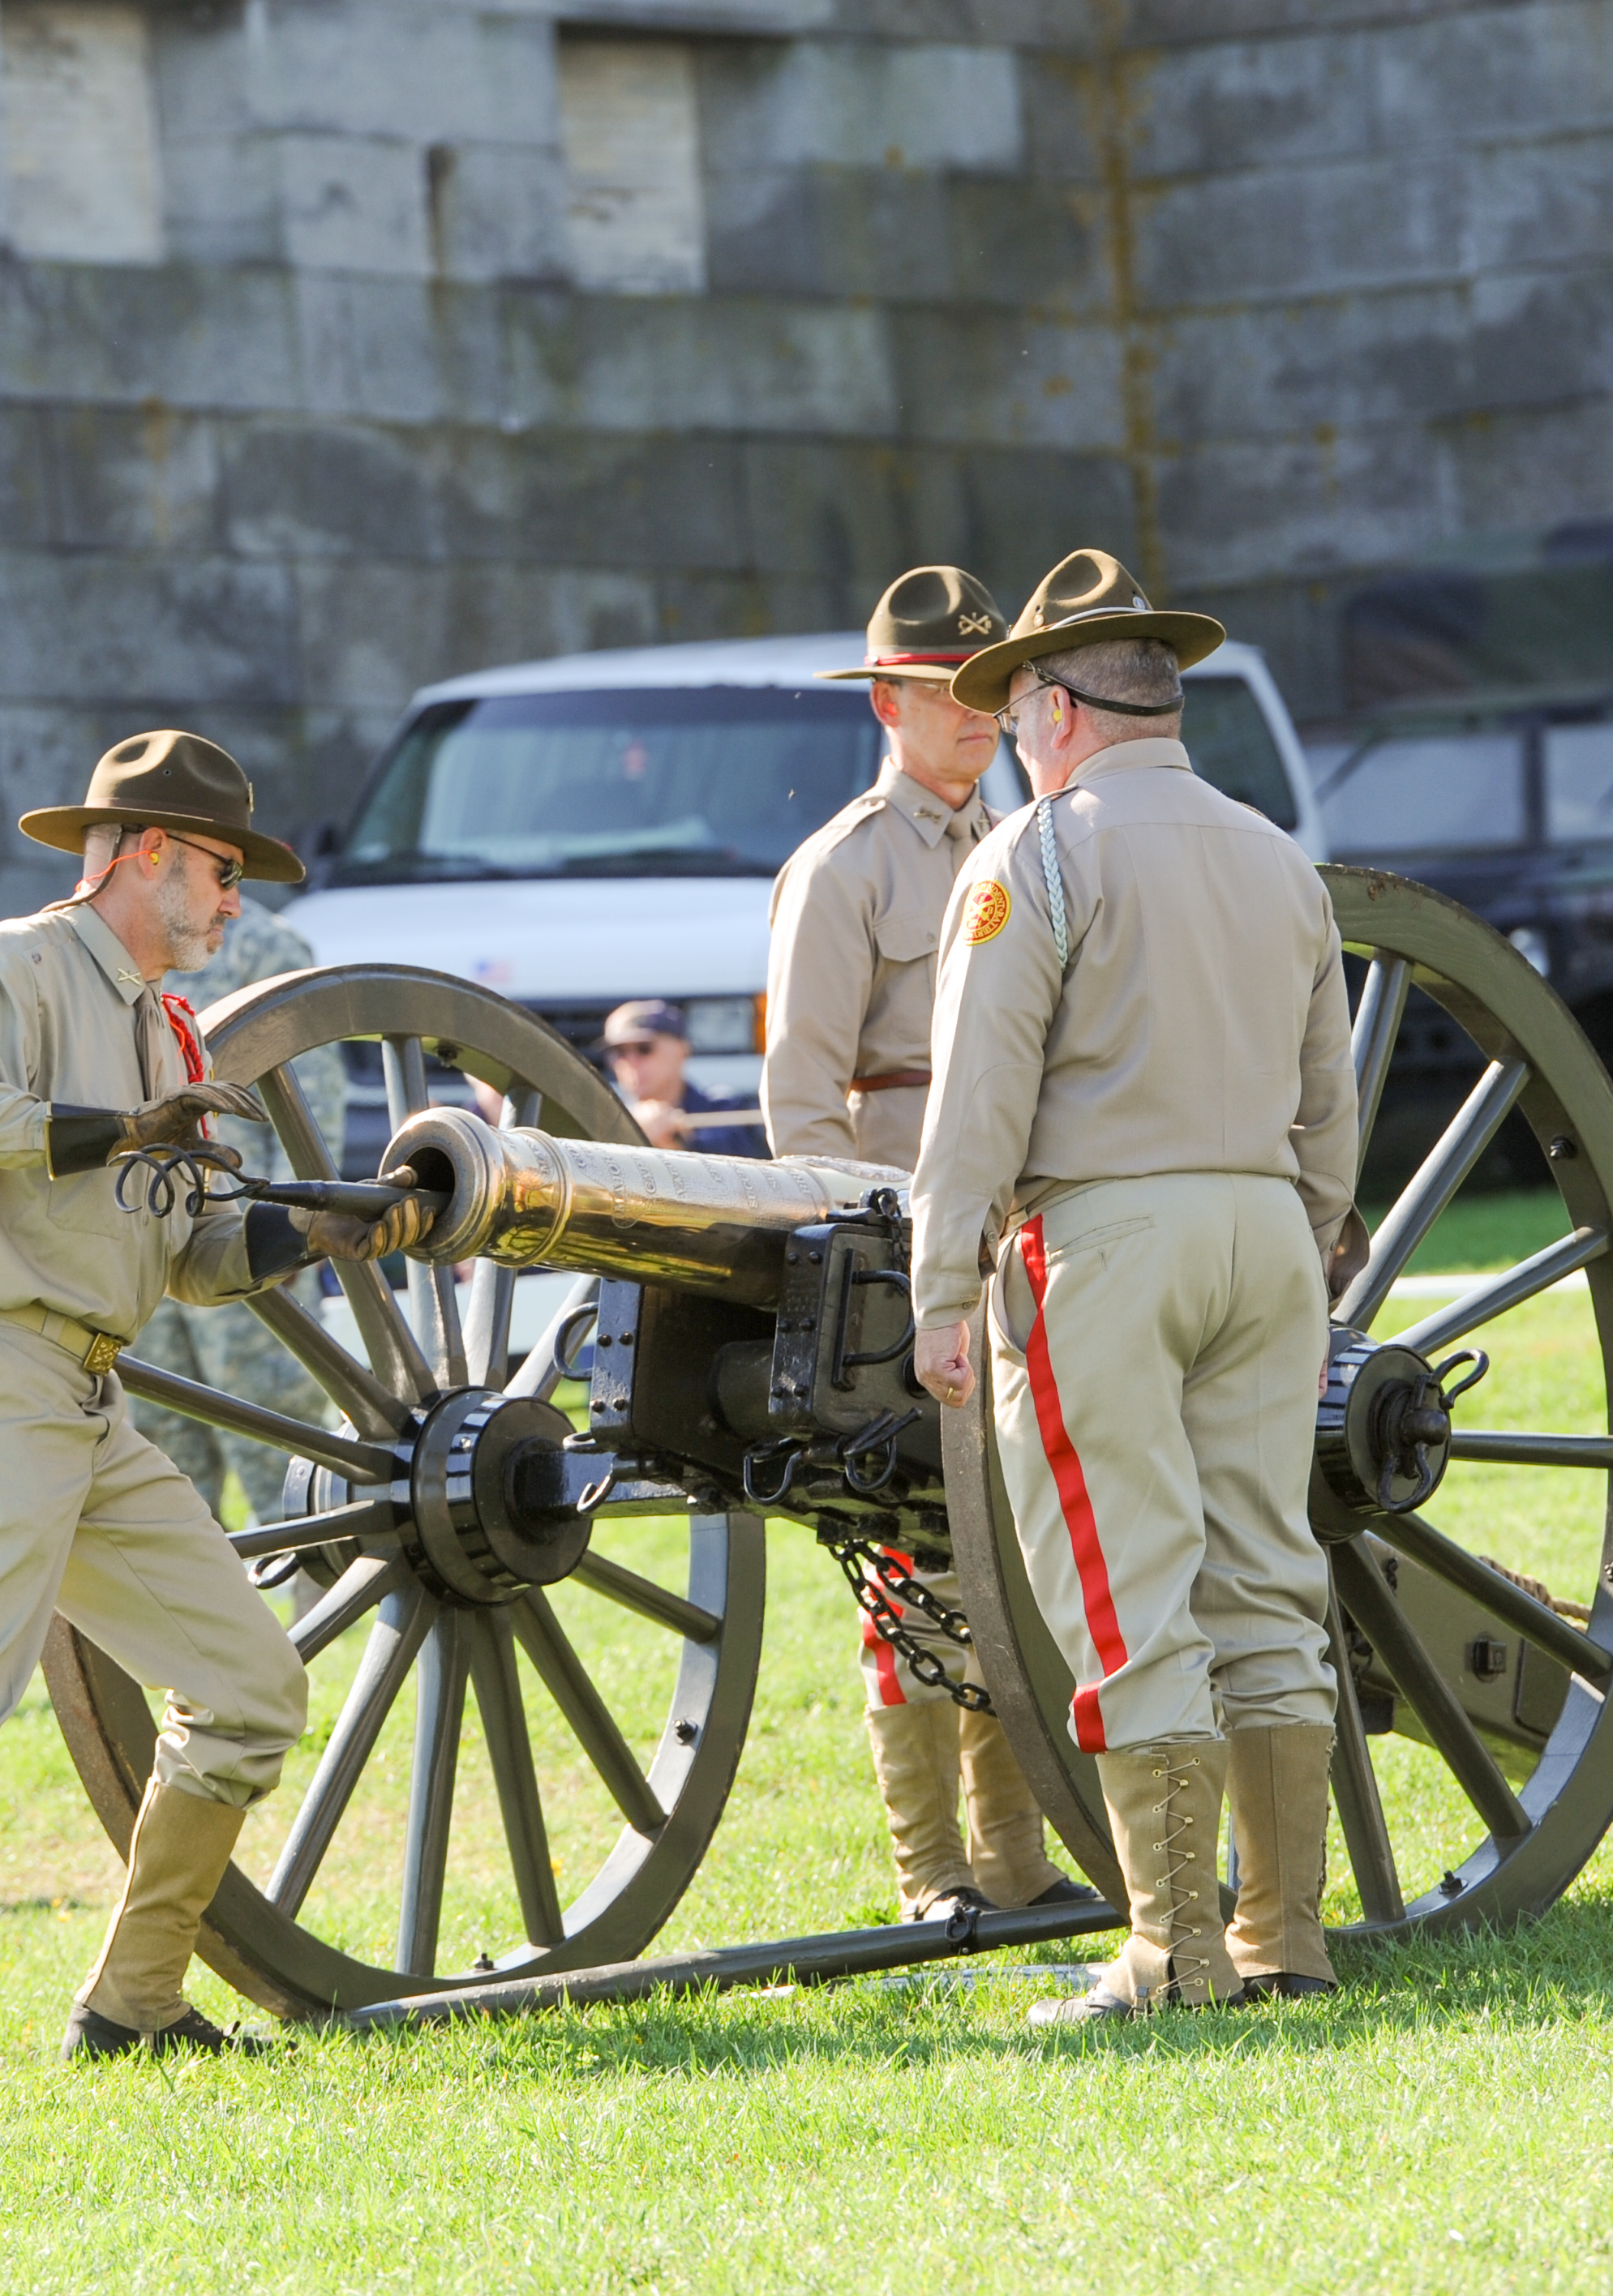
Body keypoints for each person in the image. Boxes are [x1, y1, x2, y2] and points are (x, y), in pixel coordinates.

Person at [0, 731, 424, 2119]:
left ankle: (133, 2007)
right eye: (215, 869)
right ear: (138, 856)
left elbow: (186, 1254)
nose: (231, 901)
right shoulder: (10, 961)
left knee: (252, 1690)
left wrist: (327, 1221)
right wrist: (126, 1128)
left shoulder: (169, 1023)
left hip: (86, 1393)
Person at [909, 550, 1360, 2023]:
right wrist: (1313, 1241)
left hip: (1102, 1240)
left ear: (1051, 709)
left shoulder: (1031, 855)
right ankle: (1283, 1937)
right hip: (1264, 1232)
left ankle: (1170, 1953)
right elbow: (1329, 1098)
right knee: (1268, 1584)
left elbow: (978, 1097)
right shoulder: (1276, 853)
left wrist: (937, 1281)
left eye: (1016, 708)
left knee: (1130, 1595)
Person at [767, 566, 1075, 1922]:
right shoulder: (843, 866)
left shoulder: (1024, 843)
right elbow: (799, 1100)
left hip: (1017, 1232)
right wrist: (869, 1255)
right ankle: (934, 1873)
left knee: (1008, 1554)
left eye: (989, 684)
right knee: (909, 1566)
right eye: (944, 688)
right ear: (888, 703)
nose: (974, 710)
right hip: (894, 1247)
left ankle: (1015, 1858)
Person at [127, 899, 352, 1527]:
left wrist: (295, 1221)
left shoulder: (264, 945)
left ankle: (318, 1598)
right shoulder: (127, 947)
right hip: (150, 1227)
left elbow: (313, 1094)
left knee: (274, 1434)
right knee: (163, 1451)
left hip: (241, 1223)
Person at [601, 1000, 764, 1155]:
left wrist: (678, 1140)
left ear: (682, 1050)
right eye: (619, 1052)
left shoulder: (727, 1108)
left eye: (644, 1049)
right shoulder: (605, 1120)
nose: (631, 1062)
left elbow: (741, 1157)